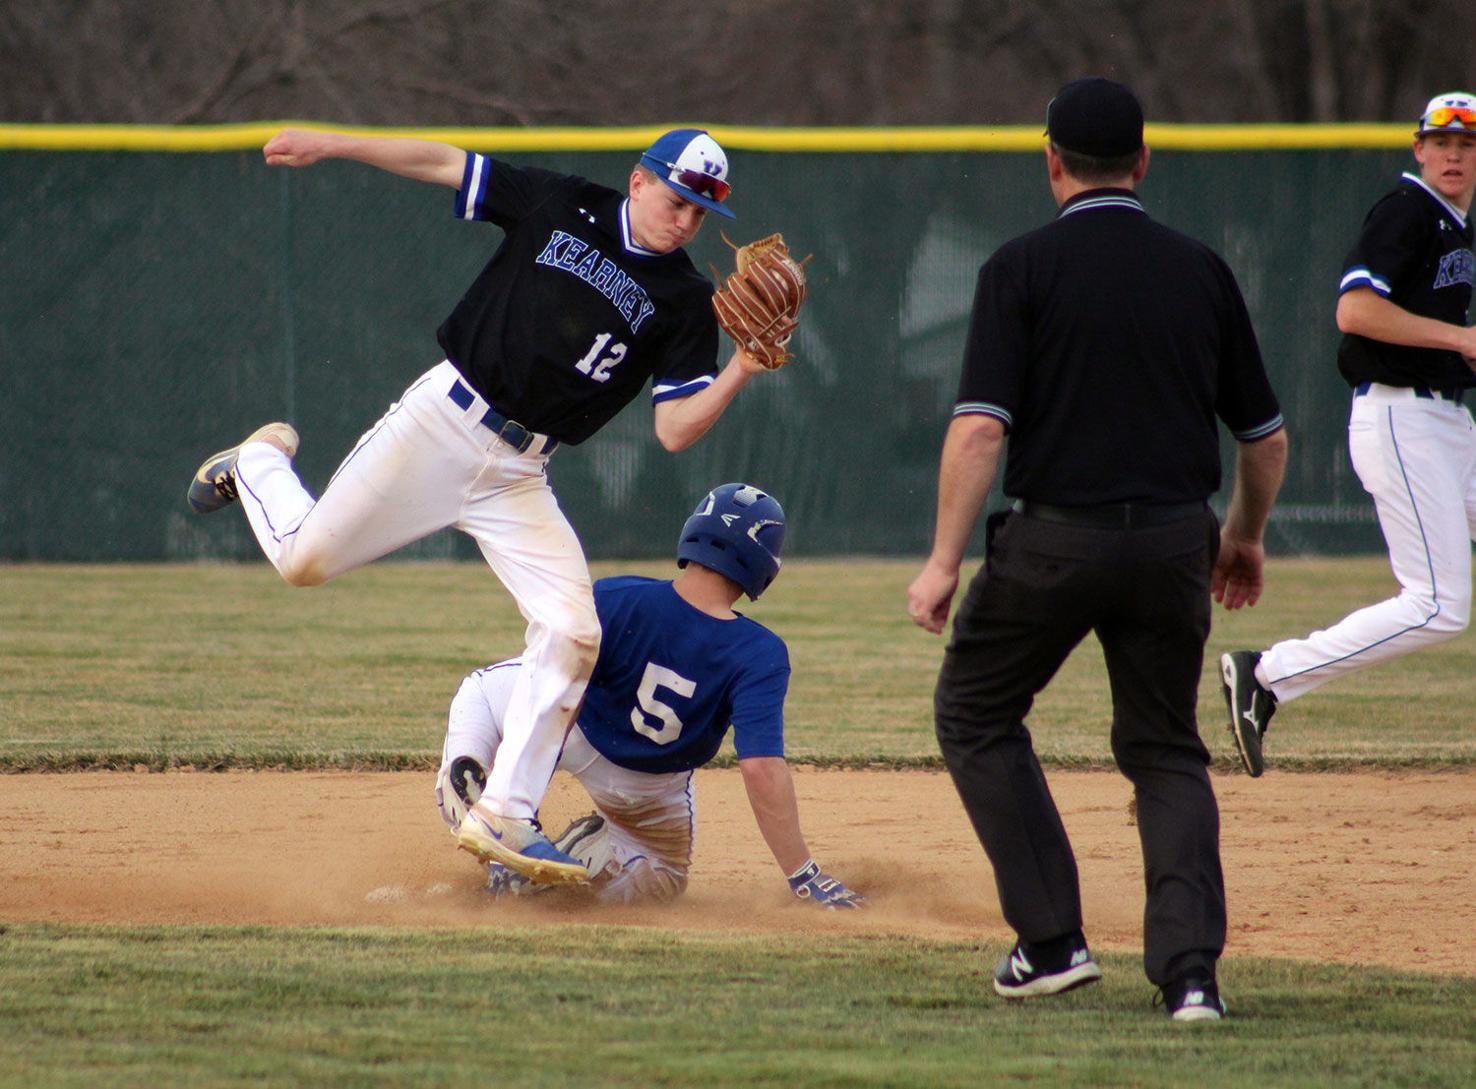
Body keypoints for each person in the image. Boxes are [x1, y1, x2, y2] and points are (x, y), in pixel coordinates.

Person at [185, 126, 780, 884]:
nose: (687, 220)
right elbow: (441, 161)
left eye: (701, 212)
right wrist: (334, 143)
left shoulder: (687, 299)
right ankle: (260, 459)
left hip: (520, 473)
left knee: (573, 629)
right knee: (304, 561)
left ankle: (505, 812)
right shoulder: (562, 203)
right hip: (442, 423)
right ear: (639, 180)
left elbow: (672, 430)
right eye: (678, 199)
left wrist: (742, 369)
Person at [906, 78, 1288, 1022]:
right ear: (1143, 161)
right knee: (1165, 751)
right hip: (1171, 541)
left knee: (974, 708)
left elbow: (979, 435)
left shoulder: (1020, 267)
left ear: (1052, 163)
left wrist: (945, 560)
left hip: (1054, 540)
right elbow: (1266, 437)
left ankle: (1051, 943)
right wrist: (1241, 535)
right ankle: (1192, 976)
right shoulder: (1201, 268)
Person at [434, 483, 862, 909]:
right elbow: (761, 769)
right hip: (649, 790)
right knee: (662, 879)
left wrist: (526, 782)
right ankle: (582, 872)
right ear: (763, 564)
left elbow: (552, 684)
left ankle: (486, 805)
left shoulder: (617, 597)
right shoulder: (759, 652)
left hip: (575, 728)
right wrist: (803, 875)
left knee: (481, 695)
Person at [1220, 91, 1476, 777]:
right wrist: (1459, 338)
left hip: (1450, 421)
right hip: (1402, 418)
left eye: (1468, 144)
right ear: (1418, 149)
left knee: (1441, 602)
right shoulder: (1407, 212)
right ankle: (1267, 676)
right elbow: (1354, 310)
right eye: (1442, 142)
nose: (1455, 154)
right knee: (1440, 606)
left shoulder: (1453, 226)